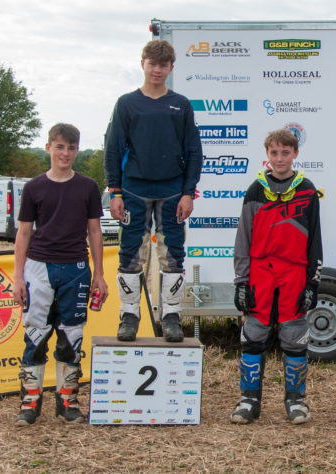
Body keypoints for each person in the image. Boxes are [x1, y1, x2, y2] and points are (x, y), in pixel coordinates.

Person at [104, 39, 203, 342]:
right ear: (142, 64)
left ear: (171, 67)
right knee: (131, 253)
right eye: (152, 64)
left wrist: (188, 192)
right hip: (134, 189)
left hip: (172, 189)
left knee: (172, 255)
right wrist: (115, 192)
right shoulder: (127, 103)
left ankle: (172, 316)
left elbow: (194, 151)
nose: (157, 70)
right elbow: (112, 149)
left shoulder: (181, 104)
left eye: (163, 65)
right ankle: (129, 315)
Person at [12, 123, 107, 425]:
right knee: (35, 335)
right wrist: (17, 277)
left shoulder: (88, 187)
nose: (65, 153)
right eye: (60, 147)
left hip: (76, 268)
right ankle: (29, 402)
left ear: (77, 150)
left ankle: (68, 401)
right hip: (38, 268)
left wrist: (99, 274)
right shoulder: (34, 187)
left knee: (71, 336)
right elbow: (24, 232)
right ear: (48, 148)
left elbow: (95, 231)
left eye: (71, 148)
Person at [230, 129, 323, 425]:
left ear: (295, 153)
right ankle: (249, 401)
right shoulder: (254, 190)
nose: (280, 158)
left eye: (285, 152)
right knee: (253, 336)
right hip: (260, 273)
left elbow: (315, 240)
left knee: (295, 338)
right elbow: (243, 239)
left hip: (294, 272)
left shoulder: (307, 190)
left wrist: (312, 282)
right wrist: (241, 282)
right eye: (274, 153)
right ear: (267, 155)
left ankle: (296, 401)